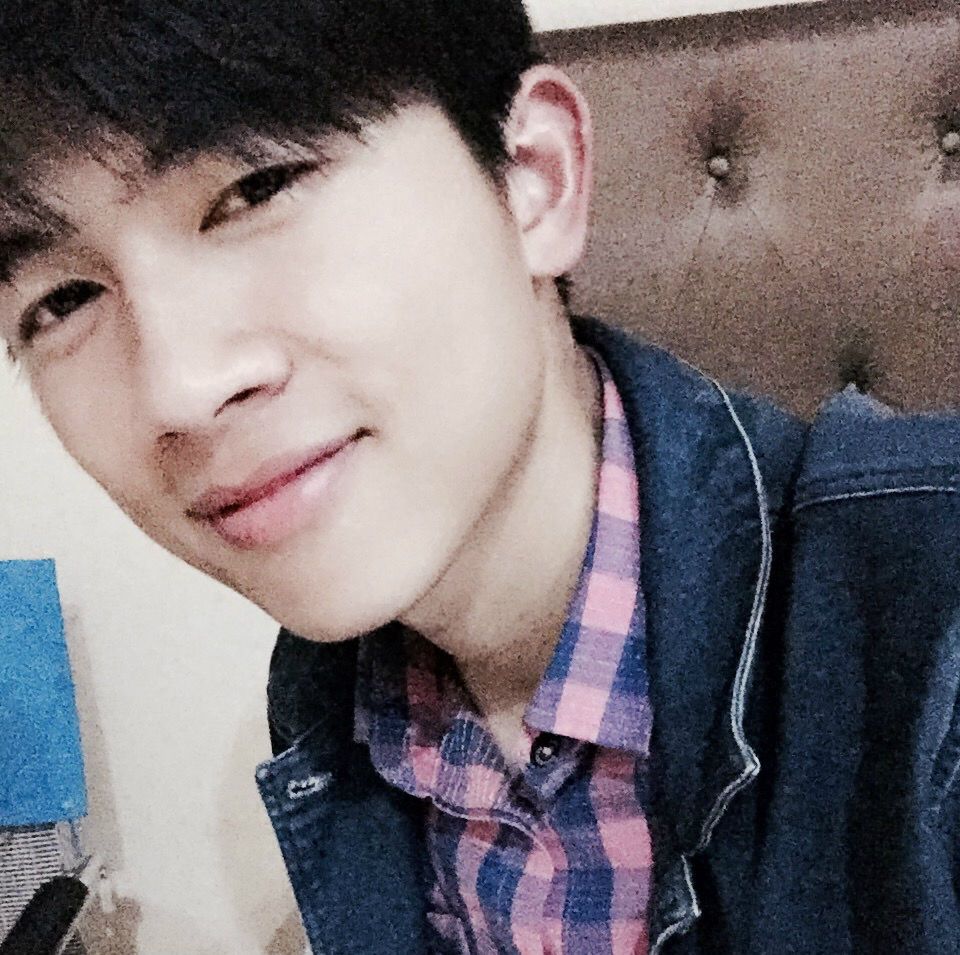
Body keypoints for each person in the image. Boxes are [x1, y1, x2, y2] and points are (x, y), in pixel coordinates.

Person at [2, 1, 960, 953]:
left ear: (534, 179)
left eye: (258, 189)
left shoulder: (934, 650)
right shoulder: (335, 693)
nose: (177, 388)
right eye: (62, 300)